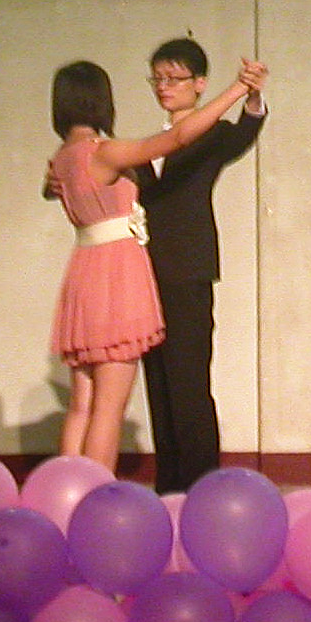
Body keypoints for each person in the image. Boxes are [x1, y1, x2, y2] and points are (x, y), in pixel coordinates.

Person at [47, 57, 260, 472]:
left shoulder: (63, 158)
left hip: (85, 272)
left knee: (82, 404)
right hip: (116, 275)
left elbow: (55, 187)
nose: (162, 86)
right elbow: (178, 137)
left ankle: (65, 492)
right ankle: (93, 494)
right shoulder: (105, 152)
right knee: (108, 407)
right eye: (158, 78)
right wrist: (237, 89)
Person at [132, 38, 265, 494]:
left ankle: (201, 487)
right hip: (145, 272)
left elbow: (245, 131)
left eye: (174, 78)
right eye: (157, 78)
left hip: (188, 270)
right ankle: (168, 486)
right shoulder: (149, 143)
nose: (164, 86)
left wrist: (251, 95)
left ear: (200, 83)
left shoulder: (212, 135)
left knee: (188, 381)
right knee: (158, 383)